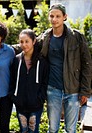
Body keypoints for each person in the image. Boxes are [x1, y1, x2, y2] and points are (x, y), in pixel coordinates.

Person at [37, 3, 92, 133]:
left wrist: (85, 91)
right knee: (52, 128)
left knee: (70, 129)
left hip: (72, 90)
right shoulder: (46, 37)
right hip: (52, 89)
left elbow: (87, 64)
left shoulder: (76, 37)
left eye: (57, 16)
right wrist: (4, 48)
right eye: (52, 16)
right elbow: (29, 46)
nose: (54, 19)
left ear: (64, 17)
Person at [9, 29, 49, 133]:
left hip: (36, 106)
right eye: (21, 42)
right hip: (20, 105)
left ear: (34, 41)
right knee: (23, 130)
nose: (24, 44)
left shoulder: (42, 62)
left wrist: (40, 98)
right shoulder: (16, 60)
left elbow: (45, 83)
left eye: (27, 41)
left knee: (33, 131)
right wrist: (14, 97)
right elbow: (12, 80)